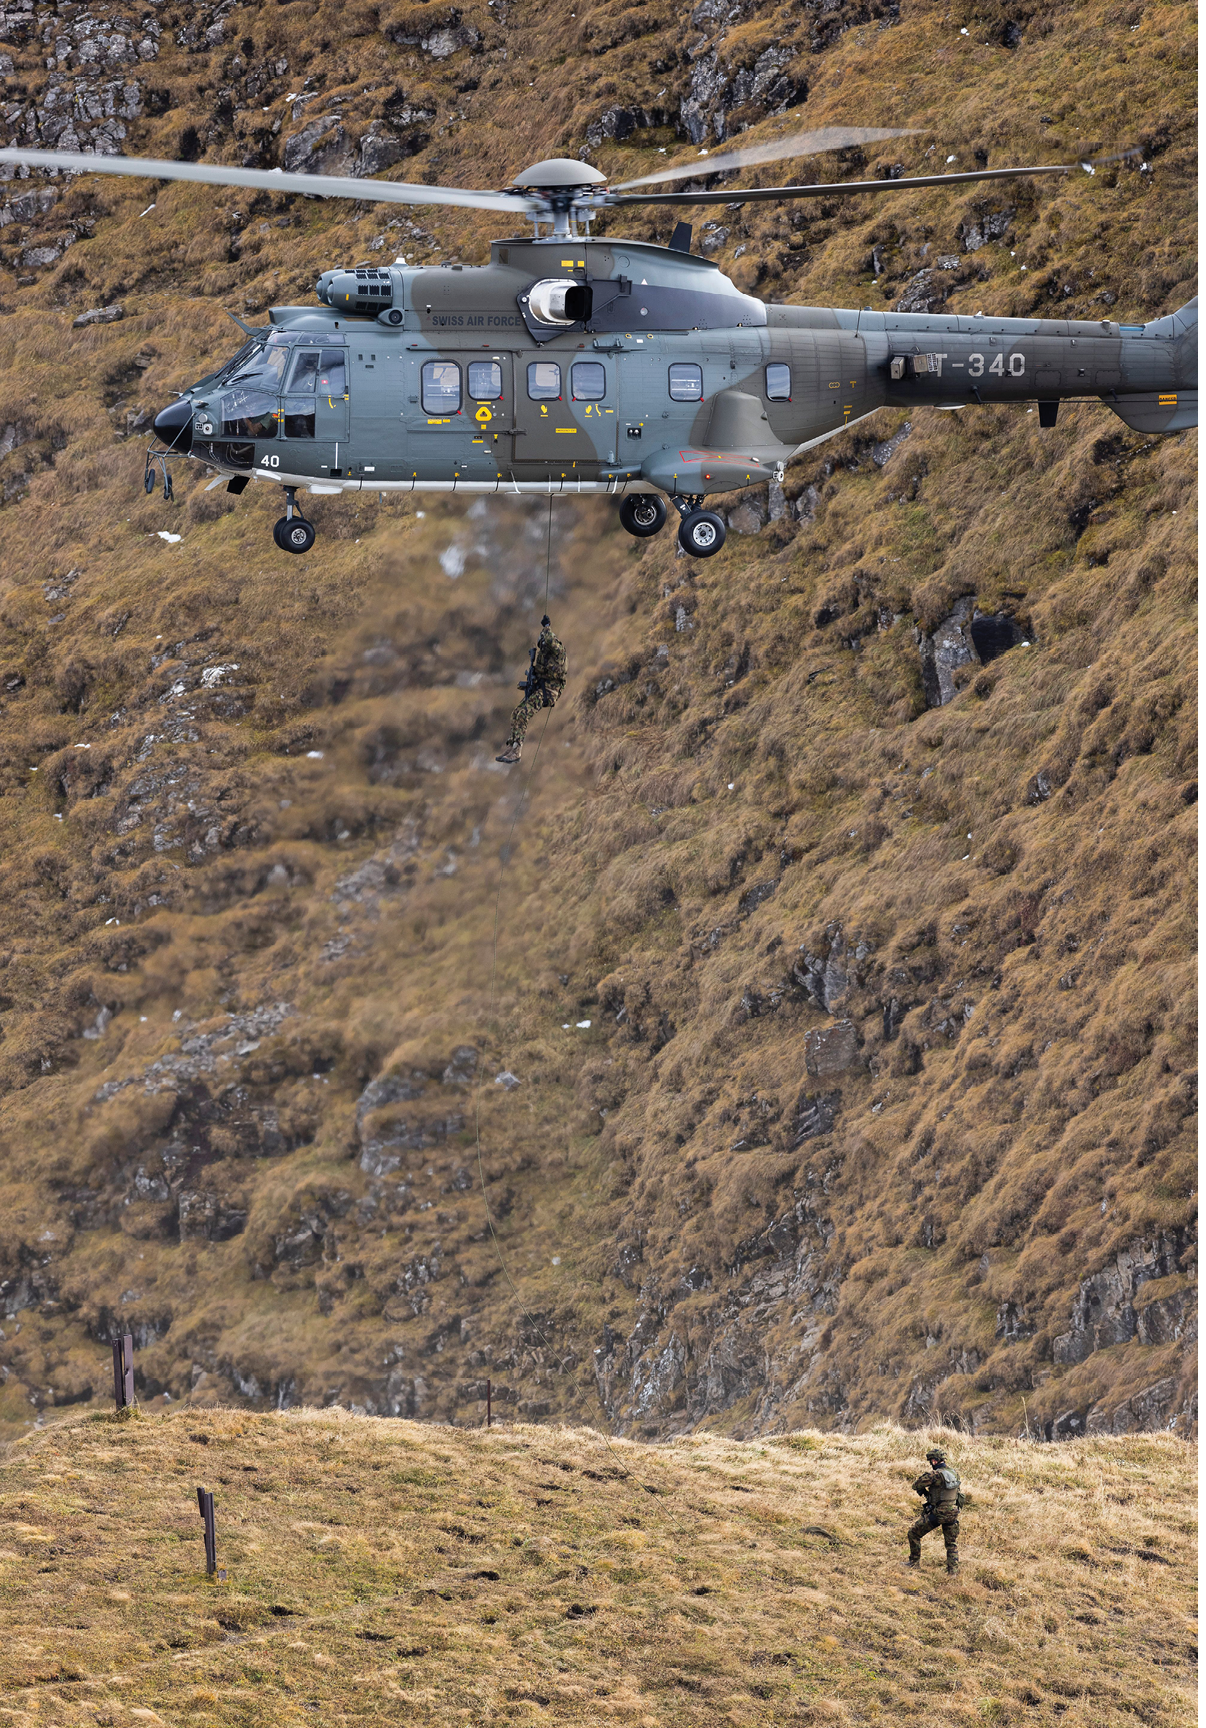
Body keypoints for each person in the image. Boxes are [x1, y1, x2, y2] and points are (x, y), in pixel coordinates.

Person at [495, 615, 567, 764]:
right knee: (516, 713)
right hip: (540, 688)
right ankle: (512, 746)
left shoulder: (558, 653)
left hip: (549, 691)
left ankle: (517, 751)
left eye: (544, 645)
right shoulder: (545, 655)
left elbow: (551, 642)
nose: (543, 648)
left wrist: (547, 627)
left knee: (523, 715)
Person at [907, 1446, 965, 1575]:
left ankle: (913, 1563)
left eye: (930, 1461)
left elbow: (916, 1485)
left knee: (913, 1534)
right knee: (951, 1544)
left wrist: (924, 1492)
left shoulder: (935, 1475)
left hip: (938, 1513)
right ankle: (953, 1572)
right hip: (953, 1512)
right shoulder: (953, 1472)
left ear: (934, 1461)